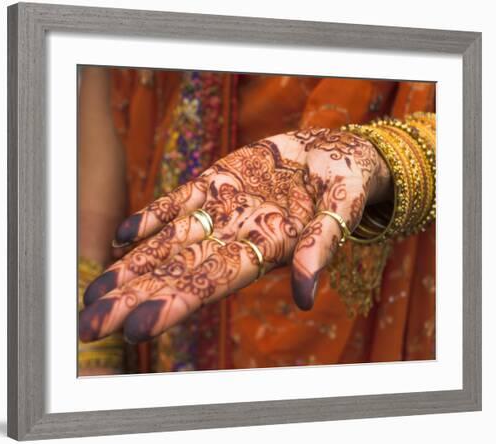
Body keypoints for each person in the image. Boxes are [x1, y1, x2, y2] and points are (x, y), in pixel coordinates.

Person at [77, 67, 436, 375]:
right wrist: (89, 352)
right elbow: (111, 76)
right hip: (179, 227)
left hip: (333, 313)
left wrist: (394, 156)